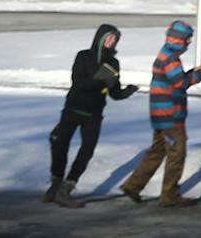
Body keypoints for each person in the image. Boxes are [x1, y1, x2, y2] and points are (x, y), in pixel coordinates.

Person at [119, 20, 201, 208]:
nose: (188, 44)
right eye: (187, 40)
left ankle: (133, 185)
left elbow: (177, 79)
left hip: (160, 115)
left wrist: (193, 71)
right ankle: (169, 194)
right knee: (176, 154)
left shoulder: (165, 54)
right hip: (171, 116)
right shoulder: (171, 58)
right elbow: (181, 83)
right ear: (179, 40)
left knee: (157, 151)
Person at [43, 22, 138, 209]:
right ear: (100, 38)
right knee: (59, 143)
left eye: (115, 39)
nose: (111, 41)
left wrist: (127, 91)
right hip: (73, 109)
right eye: (109, 37)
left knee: (87, 150)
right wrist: (102, 82)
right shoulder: (84, 56)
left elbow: (114, 94)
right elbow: (79, 83)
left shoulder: (112, 63)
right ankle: (55, 183)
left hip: (94, 113)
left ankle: (67, 188)